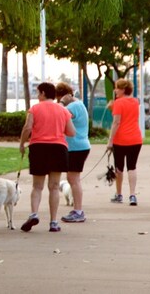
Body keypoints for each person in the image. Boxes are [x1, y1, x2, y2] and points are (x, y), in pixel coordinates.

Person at [18, 82, 76, 233]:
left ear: (43, 93)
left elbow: (28, 127)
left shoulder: (35, 109)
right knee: (55, 187)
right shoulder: (62, 110)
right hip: (58, 148)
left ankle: (34, 214)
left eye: (38, 93)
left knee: (37, 186)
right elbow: (71, 132)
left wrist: (22, 143)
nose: (37, 96)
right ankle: (54, 222)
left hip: (39, 148)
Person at [107, 78, 143, 205]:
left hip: (120, 139)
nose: (115, 90)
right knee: (132, 167)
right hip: (135, 138)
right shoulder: (135, 101)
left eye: (117, 88)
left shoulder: (118, 102)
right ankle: (132, 195)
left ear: (122, 90)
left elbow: (116, 122)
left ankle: (119, 194)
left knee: (119, 168)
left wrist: (110, 141)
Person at [57, 82, 90, 223]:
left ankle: (78, 211)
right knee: (72, 179)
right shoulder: (78, 104)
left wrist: (61, 102)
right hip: (79, 146)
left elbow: (58, 114)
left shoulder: (72, 107)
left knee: (73, 179)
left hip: (76, 147)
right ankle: (77, 209)